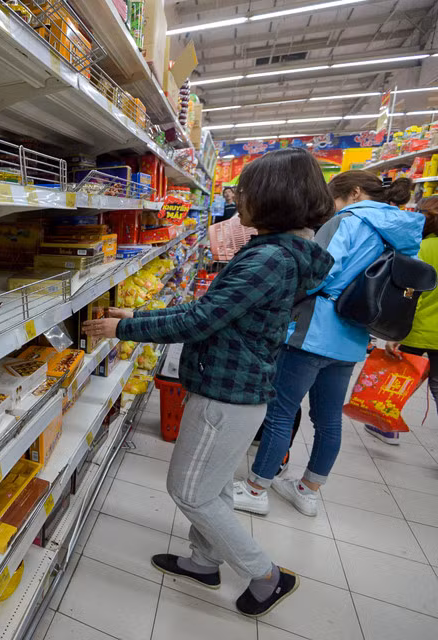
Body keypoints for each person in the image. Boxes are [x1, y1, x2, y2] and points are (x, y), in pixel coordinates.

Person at [83, 148, 334, 617]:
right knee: (214, 486)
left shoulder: (269, 260)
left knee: (190, 490)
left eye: (246, 188)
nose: (237, 195)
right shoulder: (275, 252)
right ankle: (203, 562)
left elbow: (202, 320)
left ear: (274, 198)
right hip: (235, 384)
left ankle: (266, 574)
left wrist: (124, 329)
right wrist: (139, 312)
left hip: (227, 393)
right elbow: (216, 313)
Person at [234, 171, 421, 517]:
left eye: (332, 200)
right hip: (354, 335)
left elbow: (320, 271)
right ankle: (308, 491)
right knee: (329, 419)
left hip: (314, 330)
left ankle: (255, 488)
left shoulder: (348, 220)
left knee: (280, 411)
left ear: (353, 193)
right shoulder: (404, 231)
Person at [367, 195, 438, 443]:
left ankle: (386, 426)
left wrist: (395, 333)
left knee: (399, 380)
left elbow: (408, 295)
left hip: (415, 328)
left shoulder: (420, 250)